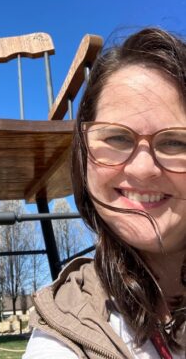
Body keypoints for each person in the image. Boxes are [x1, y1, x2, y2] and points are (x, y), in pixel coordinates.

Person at [23, 28, 186, 359]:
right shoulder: (64, 342)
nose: (143, 169)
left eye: (175, 142)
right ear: (83, 155)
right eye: (117, 139)